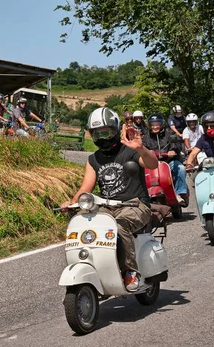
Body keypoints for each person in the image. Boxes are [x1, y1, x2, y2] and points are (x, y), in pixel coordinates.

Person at [60, 107, 158, 291]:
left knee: (119, 226)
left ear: (115, 129)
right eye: (97, 134)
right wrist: (72, 202)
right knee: (82, 222)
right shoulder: (93, 159)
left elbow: (153, 164)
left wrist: (141, 148)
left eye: (106, 132)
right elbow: (85, 189)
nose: (102, 138)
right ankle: (95, 266)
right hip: (107, 207)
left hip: (136, 204)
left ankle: (130, 272)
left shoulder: (130, 150)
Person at [142, 114, 188, 203]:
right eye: (152, 124)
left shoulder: (169, 133)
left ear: (162, 124)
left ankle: (180, 193)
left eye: (157, 124)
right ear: (149, 125)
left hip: (168, 162)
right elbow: (143, 148)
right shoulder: (146, 137)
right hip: (152, 163)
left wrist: (173, 150)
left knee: (181, 168)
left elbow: (176, 143)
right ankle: (143, 196)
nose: (155, 126)